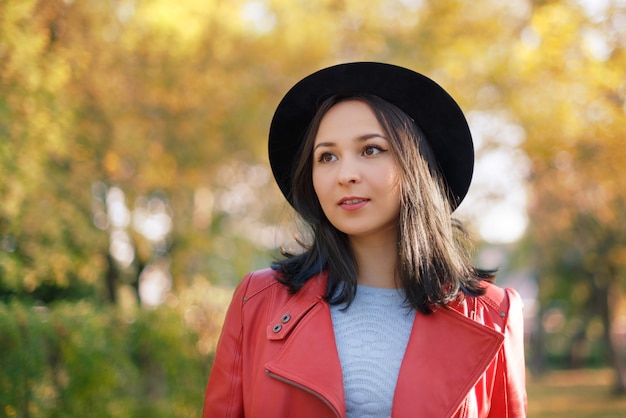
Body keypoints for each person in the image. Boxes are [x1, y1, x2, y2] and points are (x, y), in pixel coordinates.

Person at [202, 62, 527, 418]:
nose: (346, 175)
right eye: (327, 156)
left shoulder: (493, 314)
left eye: (371, 150)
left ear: (416, 165)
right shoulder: (258, 302)